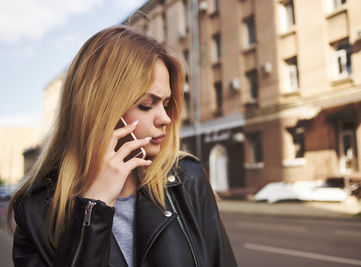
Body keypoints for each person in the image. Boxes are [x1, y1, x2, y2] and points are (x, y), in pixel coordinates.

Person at [7, 25, 237, 267]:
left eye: (166, 104)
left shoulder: (186, 179)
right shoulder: (35, 211)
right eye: (147, 104)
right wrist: (93, 208)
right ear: (99, 108)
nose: (165, 118)